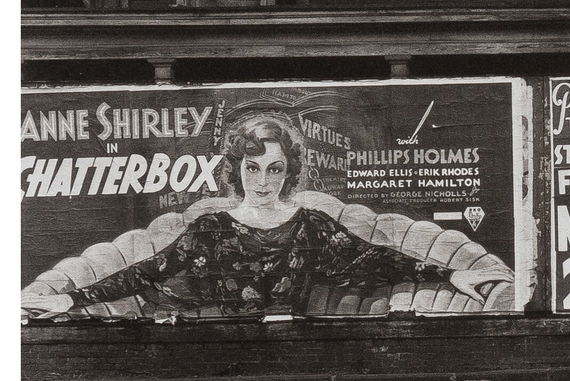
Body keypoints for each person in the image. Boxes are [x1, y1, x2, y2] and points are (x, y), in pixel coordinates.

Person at [21, 111, 508, 319]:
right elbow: (147, 271)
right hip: (217, 348)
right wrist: (72, 299)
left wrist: (452, 274)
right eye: (252, 167)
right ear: (237, 170)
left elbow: (377, 258)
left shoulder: (312, 225)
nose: (263, 179)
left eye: (274, 168)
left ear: (288, 172)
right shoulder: (211, 228)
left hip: (293, 347)